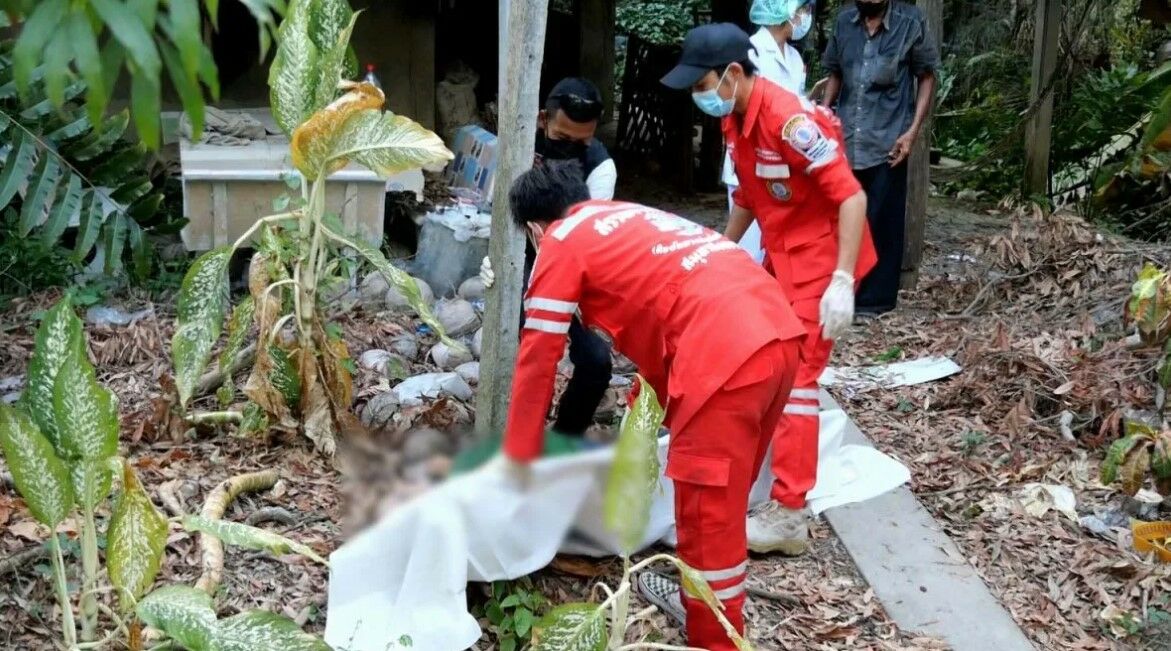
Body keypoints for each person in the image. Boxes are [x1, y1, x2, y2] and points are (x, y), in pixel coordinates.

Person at [486, 161, 805, 651]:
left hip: (723, 359)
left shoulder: (562, 241)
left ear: (533, 228)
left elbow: (538, 359)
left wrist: (518, 462)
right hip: (776, 337)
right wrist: (645, 402)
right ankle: (717, 617)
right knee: (723, 509)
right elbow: (666, 307)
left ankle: (716, 641)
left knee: (705, 524)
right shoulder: (625, 218)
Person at [662, 23, 876, 556]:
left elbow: (851, 198)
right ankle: (764, 479)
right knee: (770, 362)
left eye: (701, 84)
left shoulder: (790, 120)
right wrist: (721, 249)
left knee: (799, 382)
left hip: (824, 262)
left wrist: (843, 281)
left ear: (733, 74)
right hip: (781, 257)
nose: (698, 97)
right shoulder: (736, 119)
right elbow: (753, 196)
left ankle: (789, 514)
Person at [479, 77, 617, 444]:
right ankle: (512, 436)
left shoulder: (601, 168)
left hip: (575, 263)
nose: (570, 149)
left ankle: (564, 439)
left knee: (596, 360)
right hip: (520, 252)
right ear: (543, 119)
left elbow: (589, 237)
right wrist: (496, 257)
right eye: (562, 138)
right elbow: (501, 210)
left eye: (581, 142)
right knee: (524, 345)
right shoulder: (519, 146)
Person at [820, 0, 939, 314]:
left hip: (888, 139)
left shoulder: (910, 22)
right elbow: (835, 73)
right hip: (846, 140)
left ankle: (876, 302)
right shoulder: (844, 21)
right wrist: (821, 115)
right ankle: (842, 292)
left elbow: (926, 76)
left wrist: (912, 132)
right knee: (844, 219)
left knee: (883, 221)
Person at [724, 0, 816, 264]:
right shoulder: (750, 52)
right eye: (801, 10)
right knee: (748, 250)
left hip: (785, 162)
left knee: (778, 249)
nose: (804, 17)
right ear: (783, 12)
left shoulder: (795, 58)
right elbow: (744, 110)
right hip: (751, 158)